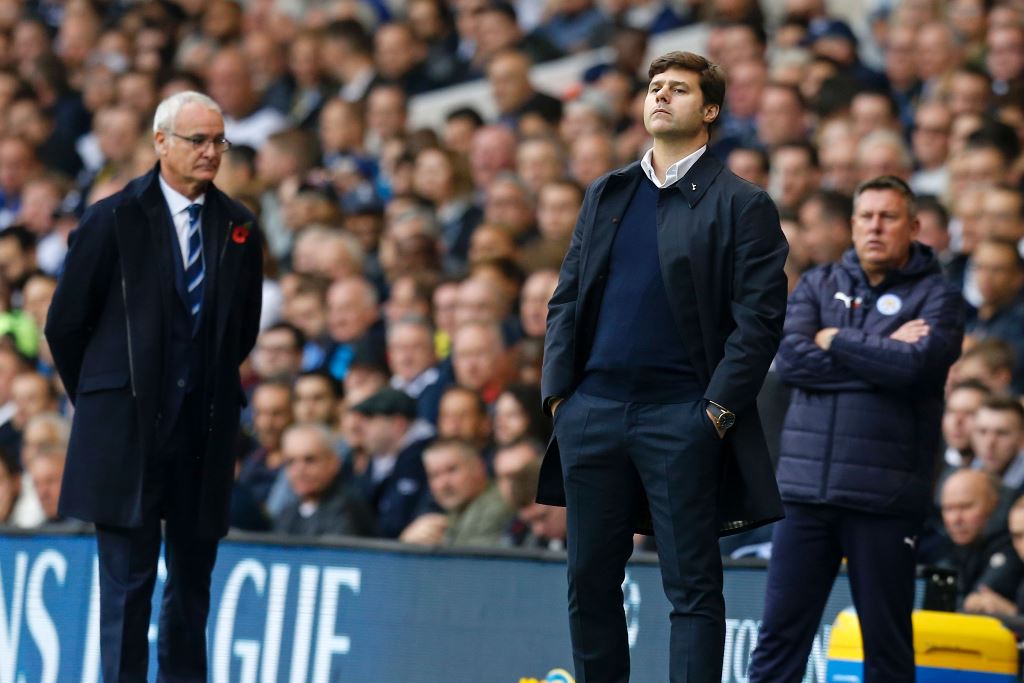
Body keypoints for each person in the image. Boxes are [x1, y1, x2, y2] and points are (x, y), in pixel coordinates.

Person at [540, 51, 788, 683]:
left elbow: (758, 323)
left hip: (682, 418)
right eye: (654, 87)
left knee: (692, 590)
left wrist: (715, 414)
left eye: (678, 89)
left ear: (708, 110)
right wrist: (559, 399)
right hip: (592, 414)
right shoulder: (608, 192)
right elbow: (567, 296)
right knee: (589, 583)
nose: (661, 97)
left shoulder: (743, 204)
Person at [44, 91, 262, 682]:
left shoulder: (239, 226)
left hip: (202, 439)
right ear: (161, 143)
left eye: (220, 140)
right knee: (126, 595)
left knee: (192, 595)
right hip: (125, 439)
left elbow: (241, 331)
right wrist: (105, 398)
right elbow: (65, 325)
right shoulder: (111, 217)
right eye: (199, 140)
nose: (212, 151)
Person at [748, 176, 965, 683]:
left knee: (886, 647)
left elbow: (916, 367)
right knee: (779, 640)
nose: (875, 226)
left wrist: (835, 339)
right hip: (804, 494)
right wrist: (883, 348)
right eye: (865, 216)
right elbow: (793, 361)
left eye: (888, 217)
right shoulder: (819, 284)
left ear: (912, 227)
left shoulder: (941, 298)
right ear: (851, 225)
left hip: (884, 498)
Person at [272, 422, 374, 537]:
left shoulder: (348, 510)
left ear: (333, 463)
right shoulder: (287, 512)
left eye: (310, 460)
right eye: (290, 462)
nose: (300, 470)